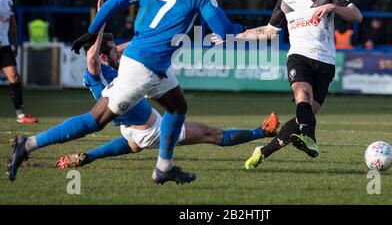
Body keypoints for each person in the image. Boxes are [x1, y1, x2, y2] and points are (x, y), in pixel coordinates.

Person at [8, 0, 243, 184]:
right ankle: (28, 144)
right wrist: (239, 30)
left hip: (144, 62)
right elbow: (223, 30)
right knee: (95, 120)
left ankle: (164, 167)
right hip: (145, 67)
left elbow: (111, 4)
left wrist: (91, 32)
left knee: (177, 108)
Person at [55, 14, 280, 169]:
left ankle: (88, 156)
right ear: (103, 57)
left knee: (133, 146)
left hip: (130, 129)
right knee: (211, 134)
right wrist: (100, 22)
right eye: (114, 51)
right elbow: (92, 56)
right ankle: (262, 132)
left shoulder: (103, 70)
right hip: (150, 129)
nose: (119, 52)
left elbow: (127, 46)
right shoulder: (97, 72)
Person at [225, 0, 362, 169]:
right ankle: (310, 139)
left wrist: (332, 7)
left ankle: (262, 152)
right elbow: (269, 31)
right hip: (299, 57)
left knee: (301, 118)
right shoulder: (285, 0)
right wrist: (232, 35)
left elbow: (357, 16)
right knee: (302, 95)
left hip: (325, 62)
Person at [0, 0, 39, 124]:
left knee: (15, 77)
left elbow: (12, 25)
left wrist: (15, 44)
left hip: (4, 46)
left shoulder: (9, 2)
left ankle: (21, 115)